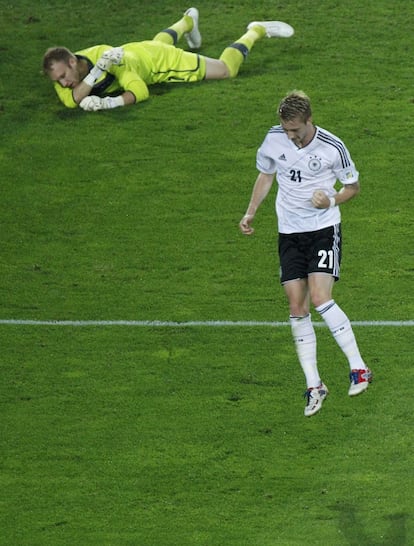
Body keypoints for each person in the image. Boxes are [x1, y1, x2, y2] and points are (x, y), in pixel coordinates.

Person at [239, 90, 372, 417]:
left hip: (323, 229)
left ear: (309, 121)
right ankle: (314, 386)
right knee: (296, 306)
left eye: (296, 130)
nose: (291, 136)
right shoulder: (274, 139)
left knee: (319, 298)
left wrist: (331, 200)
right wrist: (251, 211)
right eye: (286, 130)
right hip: (289, 233)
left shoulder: (333, 147)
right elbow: (266, 174)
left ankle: (359, 368)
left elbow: (352, 188)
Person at [42, 7, 294, 112]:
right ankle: (187, 21)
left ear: (72, 62)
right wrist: (96, 72)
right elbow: (73, 101)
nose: (63, 83)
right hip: (141, 49)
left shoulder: (114, 62)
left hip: (159, 61)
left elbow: (139, 91)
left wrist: (108, 104)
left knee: (226, 69)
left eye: (63, 76)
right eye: (58, 79)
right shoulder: (77, 72)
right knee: (155, 42)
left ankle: (256, 30)